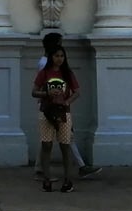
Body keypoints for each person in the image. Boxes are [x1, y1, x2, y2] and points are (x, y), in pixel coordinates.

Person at [34, 32, 100, 179]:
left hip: (56, 106)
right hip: (51, 106)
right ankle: (80, 167)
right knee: (62, 139)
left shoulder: (47, 63)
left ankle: (40, 169)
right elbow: (40, 88)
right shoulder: (46, 65)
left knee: (48, 141)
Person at [32, 45, 80, 192]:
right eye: (56, 56)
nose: (59, 59)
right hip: (46, 111)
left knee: (65, 146)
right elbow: (34, 92)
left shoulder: (68, 74)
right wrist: (47, 93)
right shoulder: (44, 73)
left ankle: (68, 180)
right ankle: (46, 179)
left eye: (62, 56)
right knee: (46, 145)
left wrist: (67, 101)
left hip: (63, 113)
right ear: (51, 57)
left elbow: (77, 92)